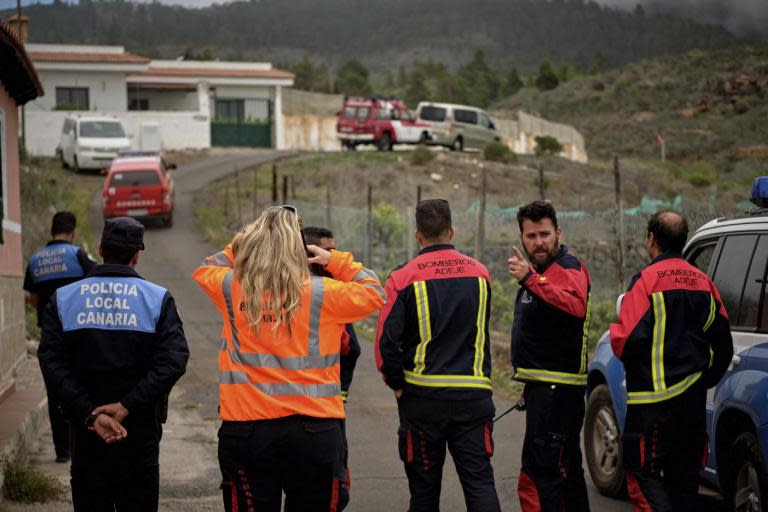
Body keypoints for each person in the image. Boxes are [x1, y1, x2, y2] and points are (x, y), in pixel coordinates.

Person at [193, 206, 385, 512]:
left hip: (247, 430)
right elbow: (375, 291)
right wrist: (332, 259)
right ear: (299, 247)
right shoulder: (323, 292)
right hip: (314, 430)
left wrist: (241, 243)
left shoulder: (234, 288)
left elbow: (206, 268)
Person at [37, 217, 190, 512]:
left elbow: (51, 363)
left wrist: (91, 414)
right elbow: (174, 359)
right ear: (136, 255)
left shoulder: (65, 299)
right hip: (139, 434)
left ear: (100, 248)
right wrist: (126, 405)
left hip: (87, 434)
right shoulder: (157, 299)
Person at [376, 199, 501, 512]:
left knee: (424, 493)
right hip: (474, 397)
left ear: (418, 234)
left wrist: (396, 383)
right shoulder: (480, 273)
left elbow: (385, 344)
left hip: (422, 400)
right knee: (480, 485)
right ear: (452, 230)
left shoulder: (402, 277)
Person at [610, 211, 733, 511]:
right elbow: (724, 347)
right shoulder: (705, 284)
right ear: (683, 240)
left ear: (651, 239)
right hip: (691, 407)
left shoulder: (646, 281)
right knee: (685, 484)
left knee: (642, 476)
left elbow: (624, 341)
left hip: (652, 408)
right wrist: (703, 380)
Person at [507, 200, 591, 512]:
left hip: (559, 393)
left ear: (558, 233)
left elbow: (574, 306)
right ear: (521, 237)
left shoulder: (567, 267)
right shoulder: (541, 271)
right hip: (546, 389)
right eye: (531, 236)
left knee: (541, 476)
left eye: (544, 234)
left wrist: (530, 278)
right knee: (565, 474)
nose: (538, 242)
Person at [24, 211, 96, 463]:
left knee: (56, 390)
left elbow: (33, 299)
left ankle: (62, 451)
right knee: (81, 387)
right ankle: (83, 445)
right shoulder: (77, 255)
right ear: (73, 232)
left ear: (51, 231)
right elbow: (96, 281)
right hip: (78, 333)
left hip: (50, 335)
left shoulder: (35, 260)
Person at [303, 226, 362, 509]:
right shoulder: (329, 292)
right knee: (330, 491)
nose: (333, 256)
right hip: (321, 414)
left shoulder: (331, 289)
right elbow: (373, 290)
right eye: (328, 251)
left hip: (315, 408)